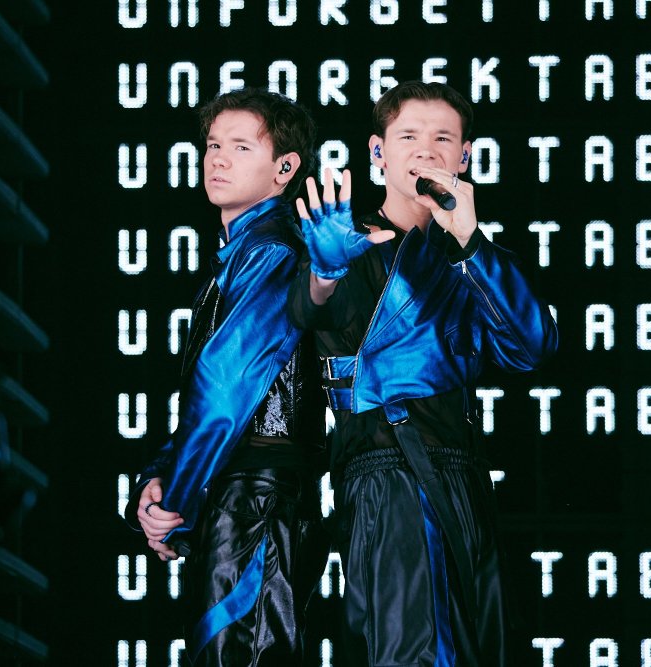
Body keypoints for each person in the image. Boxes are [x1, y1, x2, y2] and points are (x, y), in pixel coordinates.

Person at [287, 81, 558, 666]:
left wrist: (469, 242)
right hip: (386, 475)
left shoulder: (473, 258)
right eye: (408, 136)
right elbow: (309, 311)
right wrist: (325, 272)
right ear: (378, 152)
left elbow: (532, 347)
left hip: (466, 479)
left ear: (464, 157)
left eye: (443, 138)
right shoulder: (344, 242)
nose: (426, 150)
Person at [123, 88, 330, 666]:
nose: (217, 159)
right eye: (213, 145)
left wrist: (175, 500)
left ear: (285, 168)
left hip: (256, 499)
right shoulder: (245, 251)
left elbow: (224, 387)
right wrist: (163, 476)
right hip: (246, 496)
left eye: (241, 147)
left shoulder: (271, 250)